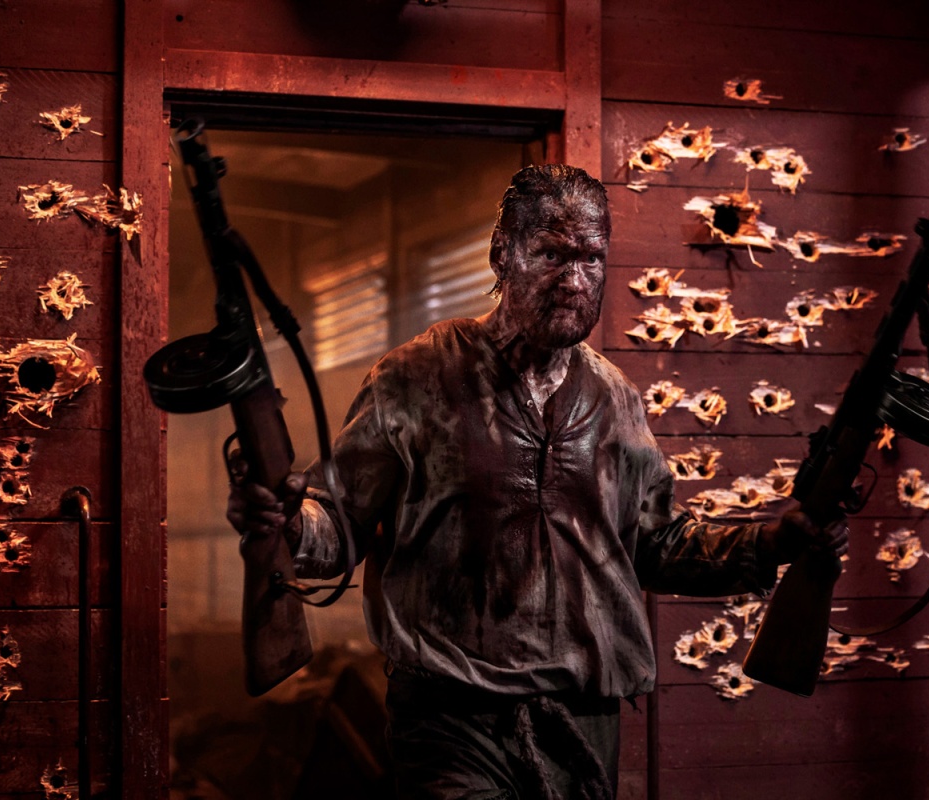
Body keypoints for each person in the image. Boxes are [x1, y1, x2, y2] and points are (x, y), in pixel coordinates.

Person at [227, 164, 848, 800]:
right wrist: (286, 522)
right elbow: (342, 523)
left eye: (591, 258)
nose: (573, 280)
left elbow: (656, 545)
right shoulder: (413, 378)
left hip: (583, 727)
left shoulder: (614, 400)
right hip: (451, 722)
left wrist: (770, 543)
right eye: (551, 254)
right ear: (502, 256)